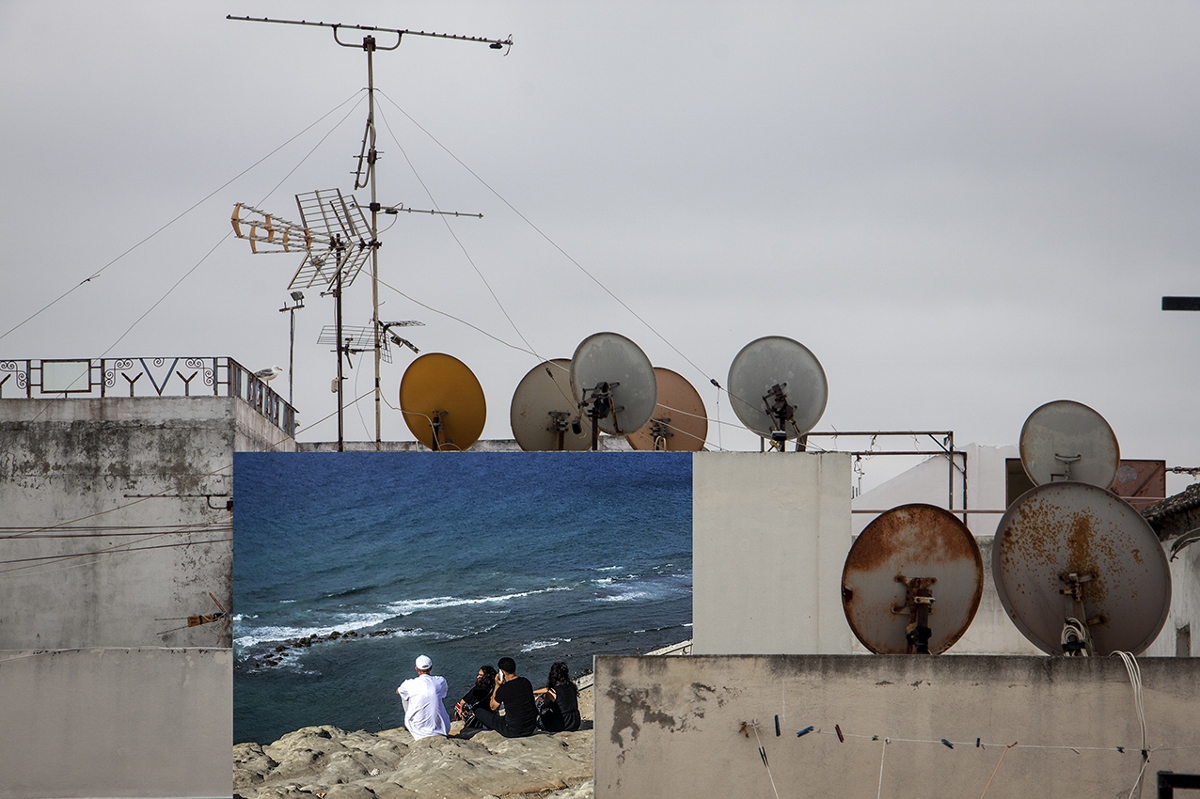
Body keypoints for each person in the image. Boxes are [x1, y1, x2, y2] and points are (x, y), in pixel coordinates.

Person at [470, 656, 538, 738]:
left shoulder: (503, 689)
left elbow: (493, 707)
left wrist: (497, 685)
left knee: (478, 710)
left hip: (512, 731)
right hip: (530, 727)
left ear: (502, 672)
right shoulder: (526, 682)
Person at [396, 654, 450, 739]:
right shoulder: (440, 681)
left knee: (404, 695)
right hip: (442, 729)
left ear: (416, 668)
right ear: (431, 668)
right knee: (435, 696)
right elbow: (444, 693)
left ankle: (412, 719)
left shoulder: (409, 684)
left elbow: (398, 691)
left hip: (418, 732)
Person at [533, 661, 581, 732]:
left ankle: (534, 721)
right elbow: (547, 690)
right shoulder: (572, 687)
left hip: (563, 725)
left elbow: (546, 703)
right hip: (575, 722)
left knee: (541, 703)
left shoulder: (553, 691)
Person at [454, 664, 497, 730]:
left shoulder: (477, 689)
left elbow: (463, 701)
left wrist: (460, 710)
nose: (477, 677)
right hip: (491, 712)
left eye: (480, 675)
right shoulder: (495, 687)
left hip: (479, 713)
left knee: (458, 706)